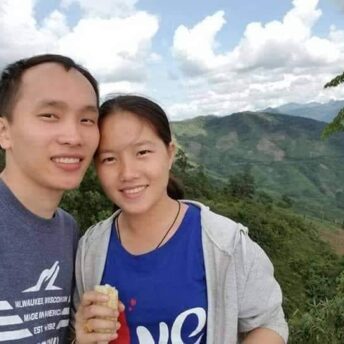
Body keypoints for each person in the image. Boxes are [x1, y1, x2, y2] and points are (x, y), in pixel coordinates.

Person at [74, 95, 289, 343]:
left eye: (142, 152)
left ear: (170, 153)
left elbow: (268, 324)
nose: (128, 173)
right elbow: (75, 332)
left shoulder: (223, 243)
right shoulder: (90, 250)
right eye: (109, 158)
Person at [0, 54, 112, 343]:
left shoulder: (68, 231)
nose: (73, 136)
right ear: (4, 131)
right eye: (50, 115)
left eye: (87, 119)